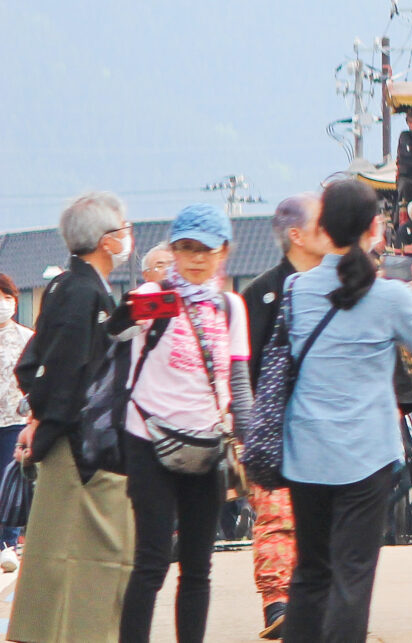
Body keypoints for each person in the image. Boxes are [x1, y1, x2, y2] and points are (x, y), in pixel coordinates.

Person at [279, 177, 412, 643]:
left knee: (310, 574)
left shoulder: (296, 289)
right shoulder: (390, 296)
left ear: (323, 227)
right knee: (351, 576)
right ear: (375, 228)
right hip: (365, 454)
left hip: (306, 452)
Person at [117, 203, 253, 643]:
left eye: (206, 250)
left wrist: (247, 440)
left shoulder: (230, 307)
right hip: (148, 438)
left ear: (224, 253)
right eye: (186, 248)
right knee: (152, 561)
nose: (196, 258)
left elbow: (238, 378)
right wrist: (136, 308)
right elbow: (112, 334)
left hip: (207, 444)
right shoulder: (153, 300)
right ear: (173, 251)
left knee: (198, 565)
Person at [8, 190, 137, 643]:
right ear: (105, 239)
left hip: (80, 438)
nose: (129, 238)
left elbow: (44, 360)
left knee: (66, 557)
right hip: (81, 446)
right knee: (88, 557)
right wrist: (46, 416)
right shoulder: (80, 290)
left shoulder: (76, 287)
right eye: (124, 231)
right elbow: (60, 369)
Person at [0, 273, 28, 569]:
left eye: (8, 297)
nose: (4, 304)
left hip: (14, 420)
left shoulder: (26, 337)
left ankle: (8, 542)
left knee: (8, 483)